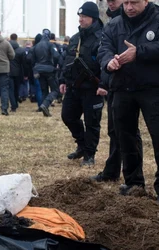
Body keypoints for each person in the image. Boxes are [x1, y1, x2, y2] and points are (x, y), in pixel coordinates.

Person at [98, 0, 159, 203]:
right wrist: (110, 62)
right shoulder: (114, 24)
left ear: (146, 1)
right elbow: (103, 49)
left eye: (134, 2)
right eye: (125, 3)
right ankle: (134, 182)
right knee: (126, 137)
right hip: (122, 88)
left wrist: (139, 52)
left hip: (151, 89)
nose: (129, 7)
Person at [91, 0, 143, 181]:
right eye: (107, 0)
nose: (110, 3)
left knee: (128, 131)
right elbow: (104, 52)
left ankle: (134, 175)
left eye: (114, 0)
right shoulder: (112, 22)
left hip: (132, 84)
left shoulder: (134, 18)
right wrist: (105, 81)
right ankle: (112, 170)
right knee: (114, 130)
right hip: (114, 82)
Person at [59, 2, 107, 166]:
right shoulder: (75, 39)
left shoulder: (102, 38)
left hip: (93, 89)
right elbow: (67, 61)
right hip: (74, 87)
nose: (80, 20)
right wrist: (63, 80)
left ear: (93, 18)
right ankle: (81, 144)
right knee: (68, 116)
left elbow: (105, 63)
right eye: (79, 16)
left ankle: (89, 155)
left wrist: (104, 84)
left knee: (92, 122)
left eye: (84, 17)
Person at [33, 28, 61, 117]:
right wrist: (55, 65)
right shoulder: (50, 44)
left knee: (44, 90)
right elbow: (56, 56)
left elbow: (31, 59)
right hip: (49, 70)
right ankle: (45, 104)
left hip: (39, 70)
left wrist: (35, 69)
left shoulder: (36, 46)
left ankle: (45, 108)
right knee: (55, 90)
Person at [8, 34, 25, 112]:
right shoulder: (21, 50)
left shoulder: (6, 49)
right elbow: (24, 63)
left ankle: (13, 106)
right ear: (17, 39)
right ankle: (16, 103)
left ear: (10, 38)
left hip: (9, 71)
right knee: (16, 89)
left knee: (10, 89)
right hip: (18, 72)